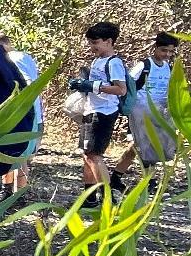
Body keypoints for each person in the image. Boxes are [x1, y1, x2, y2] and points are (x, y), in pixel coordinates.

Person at [72, 22, 129, 196]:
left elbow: (121, 89)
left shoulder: (114, 63)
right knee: (87, 155)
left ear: (108, 41)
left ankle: (108, 196)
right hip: (91, 109)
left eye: (95, 43)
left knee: (95, 156)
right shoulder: (98, 60)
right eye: (90, 42)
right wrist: (82, 84)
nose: (92, 47)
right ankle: (89, 197)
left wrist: (94, 86)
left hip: (103, 112)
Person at [118, 33, 178, 186]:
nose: (167, 55)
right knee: (144, 145)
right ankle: (149, 181)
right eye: (164, 50)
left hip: (159, 112)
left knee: (148, 146)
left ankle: (116, 177)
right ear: (155, 48)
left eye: (171, 52)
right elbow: (128, 84)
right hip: (141, 110)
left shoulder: (168, 67)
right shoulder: (144, 66)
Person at [0, 31, 42, 193]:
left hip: (22, 112)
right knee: (12, 152)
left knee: (18, 153)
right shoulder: (24, 57)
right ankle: (9, 189)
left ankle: (18, 193)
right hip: (25, 111)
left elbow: (24, 84)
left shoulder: (13, 58)